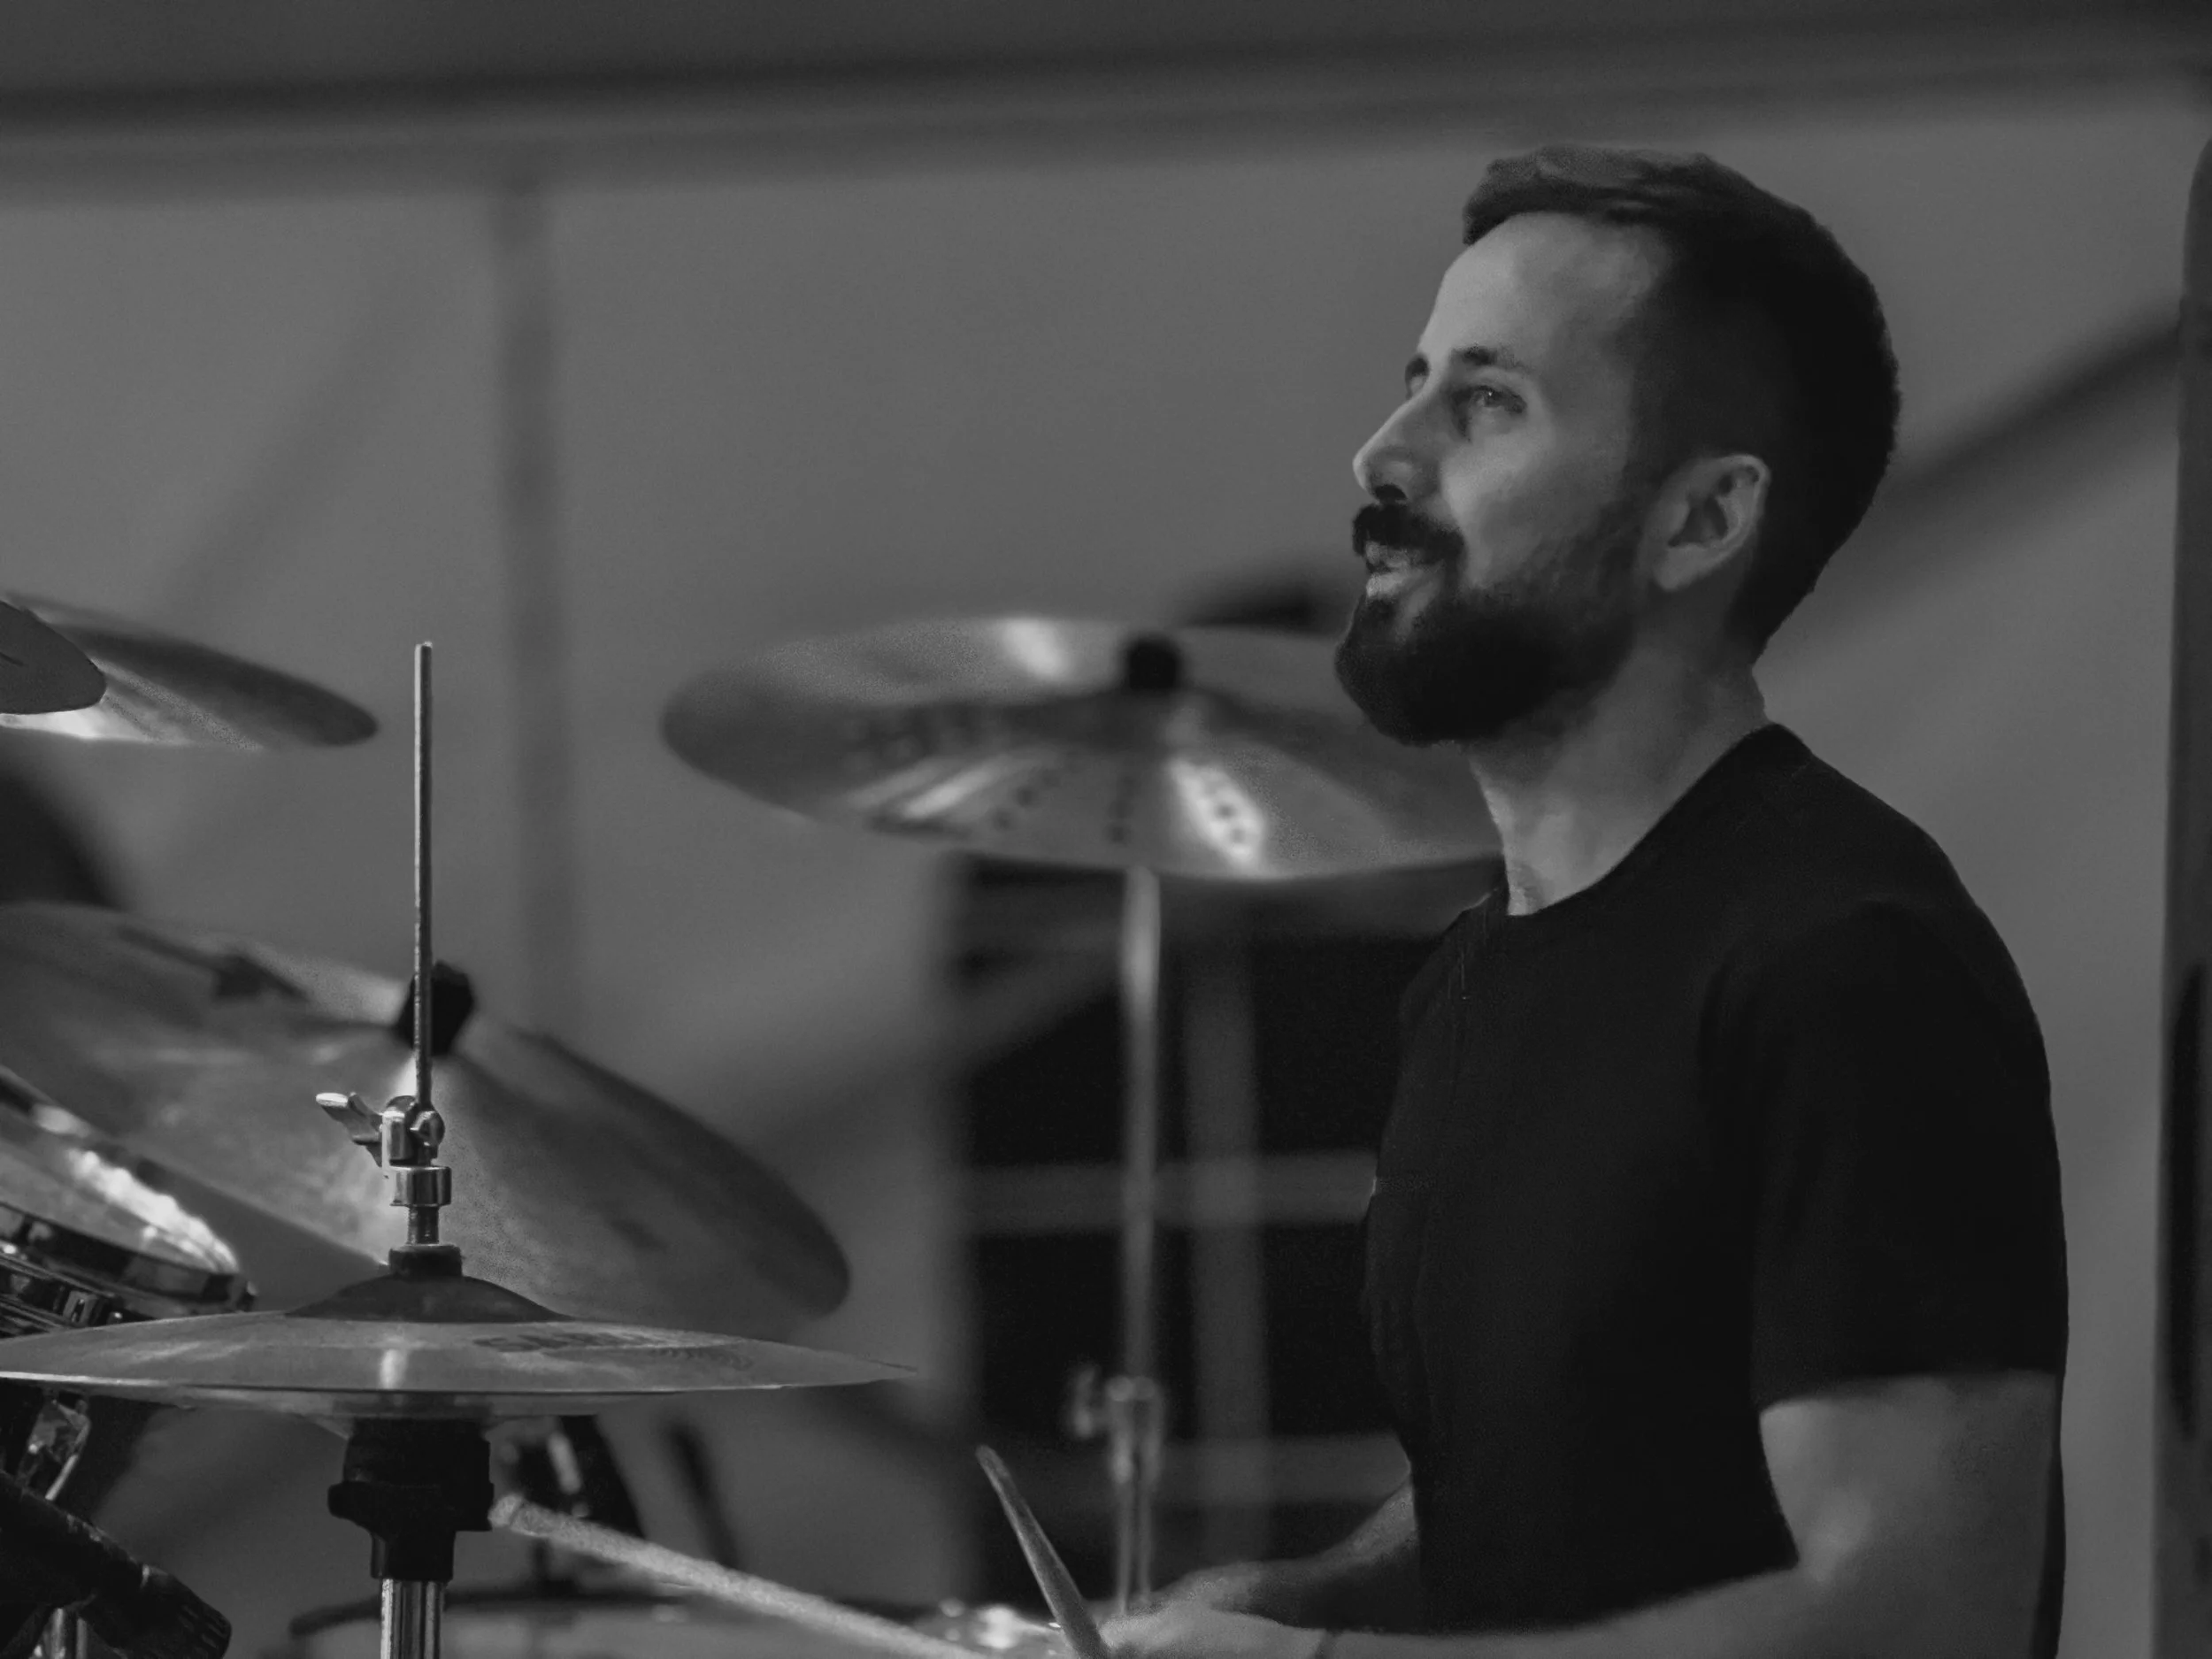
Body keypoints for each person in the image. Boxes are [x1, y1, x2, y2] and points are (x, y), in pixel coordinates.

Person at [1103, 145, 2067, 1659]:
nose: (1381, 452)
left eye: (1485, 402)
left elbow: (1923, 1615)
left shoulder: (1845, 958)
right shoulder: (1474, 981)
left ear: (1700, 523)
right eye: (1412, 380)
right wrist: (1306, 1597)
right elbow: (1562, 1491)